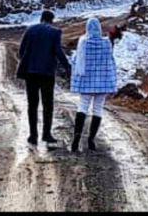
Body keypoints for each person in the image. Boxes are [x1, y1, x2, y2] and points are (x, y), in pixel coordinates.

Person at [17, 9, 70, 147]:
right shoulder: (55, 32)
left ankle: (33, 136)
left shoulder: (30, 30)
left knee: (32, 105)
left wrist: (27, 62)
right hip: (47, 73)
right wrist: (67, 67)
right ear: (51, 20)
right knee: (48, 105)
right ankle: (46, 134)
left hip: (31, 73)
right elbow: (58, 51)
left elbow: (21, 51)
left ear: (41, 18)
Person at [70, 16, 118, 152]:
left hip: (86, 82)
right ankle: (91, 139)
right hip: (102, 83)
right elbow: (110, 60)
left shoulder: (83, 42)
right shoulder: (107, 43)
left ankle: (76, 137)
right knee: (98, 109)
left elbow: (75, 60)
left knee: (83, 107)